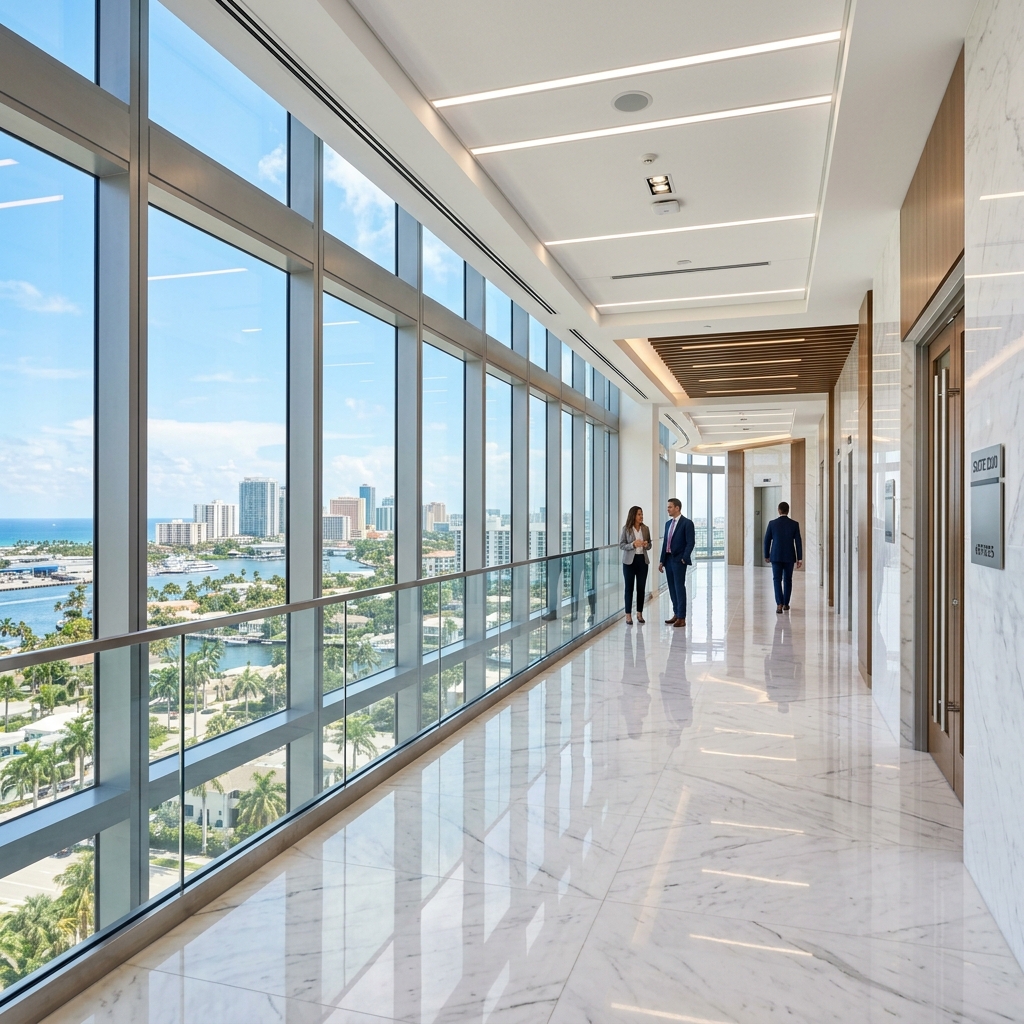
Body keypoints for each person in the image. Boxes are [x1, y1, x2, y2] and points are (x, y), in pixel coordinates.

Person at [658, 498, 695, 627]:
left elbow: (690, 542)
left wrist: (684, 557)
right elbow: (665, 543)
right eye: (668, 507)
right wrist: (661, 561)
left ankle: (681, 617)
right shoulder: (668, 524)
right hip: (668, 560)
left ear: (677, 508)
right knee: (672, 588)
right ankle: (676, 613)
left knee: (679, 588)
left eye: (670, 507)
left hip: (679, 560)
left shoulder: (687, 523)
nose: (668, 509)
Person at [763, 500, 803, 613]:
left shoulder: (772, 524)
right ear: (788, 511)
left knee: (777, 579)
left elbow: (767, 541)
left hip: (775, 556)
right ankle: (786, 603)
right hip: (789, 556)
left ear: (779, 510)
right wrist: (799, 558)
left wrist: (766, 555)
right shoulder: (794, 524)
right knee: (788, 580)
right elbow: (798, 542)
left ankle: (779, 604)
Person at [619, 505, 652, 625]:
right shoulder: (626, 529)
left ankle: (639, 614)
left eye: (642, 514)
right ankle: (628, 615)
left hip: (642, 561)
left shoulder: (646, 529)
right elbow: (622, 545)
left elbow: (649, 545)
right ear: (633, 516)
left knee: (641, 588)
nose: (641, 516)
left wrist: (646, 545)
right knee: (629, 588)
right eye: (639, 514)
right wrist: (633, 544)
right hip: (629, 562)